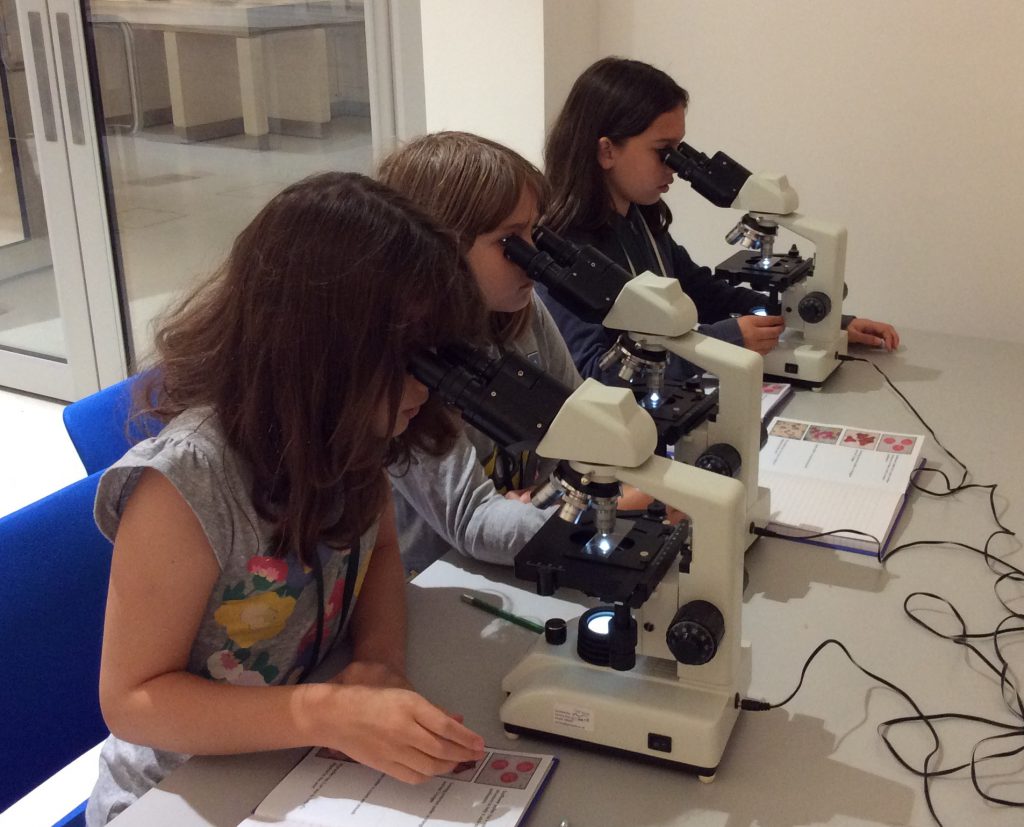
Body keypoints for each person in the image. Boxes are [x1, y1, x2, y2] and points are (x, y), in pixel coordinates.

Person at [86, 173, 487, 825]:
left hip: (294, 761)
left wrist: (377, 664)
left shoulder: (352, 433)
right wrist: (323, 711)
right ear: (319, 353)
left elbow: (381, 546)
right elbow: (132, 698)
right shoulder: (185, 484)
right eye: (409, 361)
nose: (425, 387)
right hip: (177, 790)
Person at [540, 56, 899, 383]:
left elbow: (702, 293)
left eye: (679, 151)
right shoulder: (561, 252)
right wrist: (727, 339)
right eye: (663, 151)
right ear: (607, 151)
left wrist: (819, 323)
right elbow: (593, 373)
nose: (676, 168)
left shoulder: (637, 222)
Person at [377, 132, 586, 576]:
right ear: (441, 249)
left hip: (512, 566)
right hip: (441, 586)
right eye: (511, 241)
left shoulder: (523, 312)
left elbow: (580, 430)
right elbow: (471, 519)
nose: (532, 256)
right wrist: (590, 525)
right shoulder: (409, 370)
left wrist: (549, 504)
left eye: (535, 231)